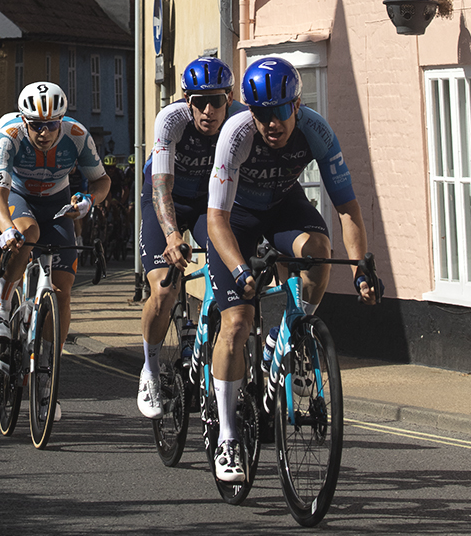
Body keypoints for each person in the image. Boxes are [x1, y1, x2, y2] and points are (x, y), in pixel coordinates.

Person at [207, 56, 380, 483]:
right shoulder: (236, 134)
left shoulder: (316, 130)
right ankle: (228, 436)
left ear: (297, 105)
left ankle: (292, 333)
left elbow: (347, 208)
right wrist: (240, 269)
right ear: (250, 111)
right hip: (237, 219)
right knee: (237, 322)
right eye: (261, 114)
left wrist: (360, 269)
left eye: (280, 112)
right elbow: (215, 219)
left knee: (319, 249)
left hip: (284, 207)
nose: (271, 123)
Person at [137, 55, 243, 421]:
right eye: (200, 101)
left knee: (233, 264)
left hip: (207, 206)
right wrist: (170, 235)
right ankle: (149, 369)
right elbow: (161, 187)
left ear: (229, 98)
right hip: (164, 200)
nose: (209, 110)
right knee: (164, 290)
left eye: (217, 101)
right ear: (187, 101)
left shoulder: (241, 121)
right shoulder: (171, 121)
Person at [0, 81, 111, 393]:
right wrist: (7, 230)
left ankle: (47, 368)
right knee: (28, 232)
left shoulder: (77, 136)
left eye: (52, 125)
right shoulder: (10, 137)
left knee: (62, 291)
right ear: (24, 121)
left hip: (58, 205)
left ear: (61, 121)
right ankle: (1, 309)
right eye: (37, 126)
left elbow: (102, 181)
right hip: (20, 199)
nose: (44, 133)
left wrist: (88, 201)